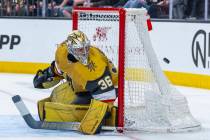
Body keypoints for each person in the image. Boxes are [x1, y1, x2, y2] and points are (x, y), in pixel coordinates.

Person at [33, 30, 118, 134]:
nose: (85, 52)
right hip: (86, 84)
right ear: (70, 49)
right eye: (80, 49)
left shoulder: (95, 69)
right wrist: (48, 75)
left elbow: (106, 97)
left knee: (73, 111)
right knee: (56, 95)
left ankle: (115, 114)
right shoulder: (62, 51)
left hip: (109, 86)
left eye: (86, 48)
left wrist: (93, 121)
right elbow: (60, 69)